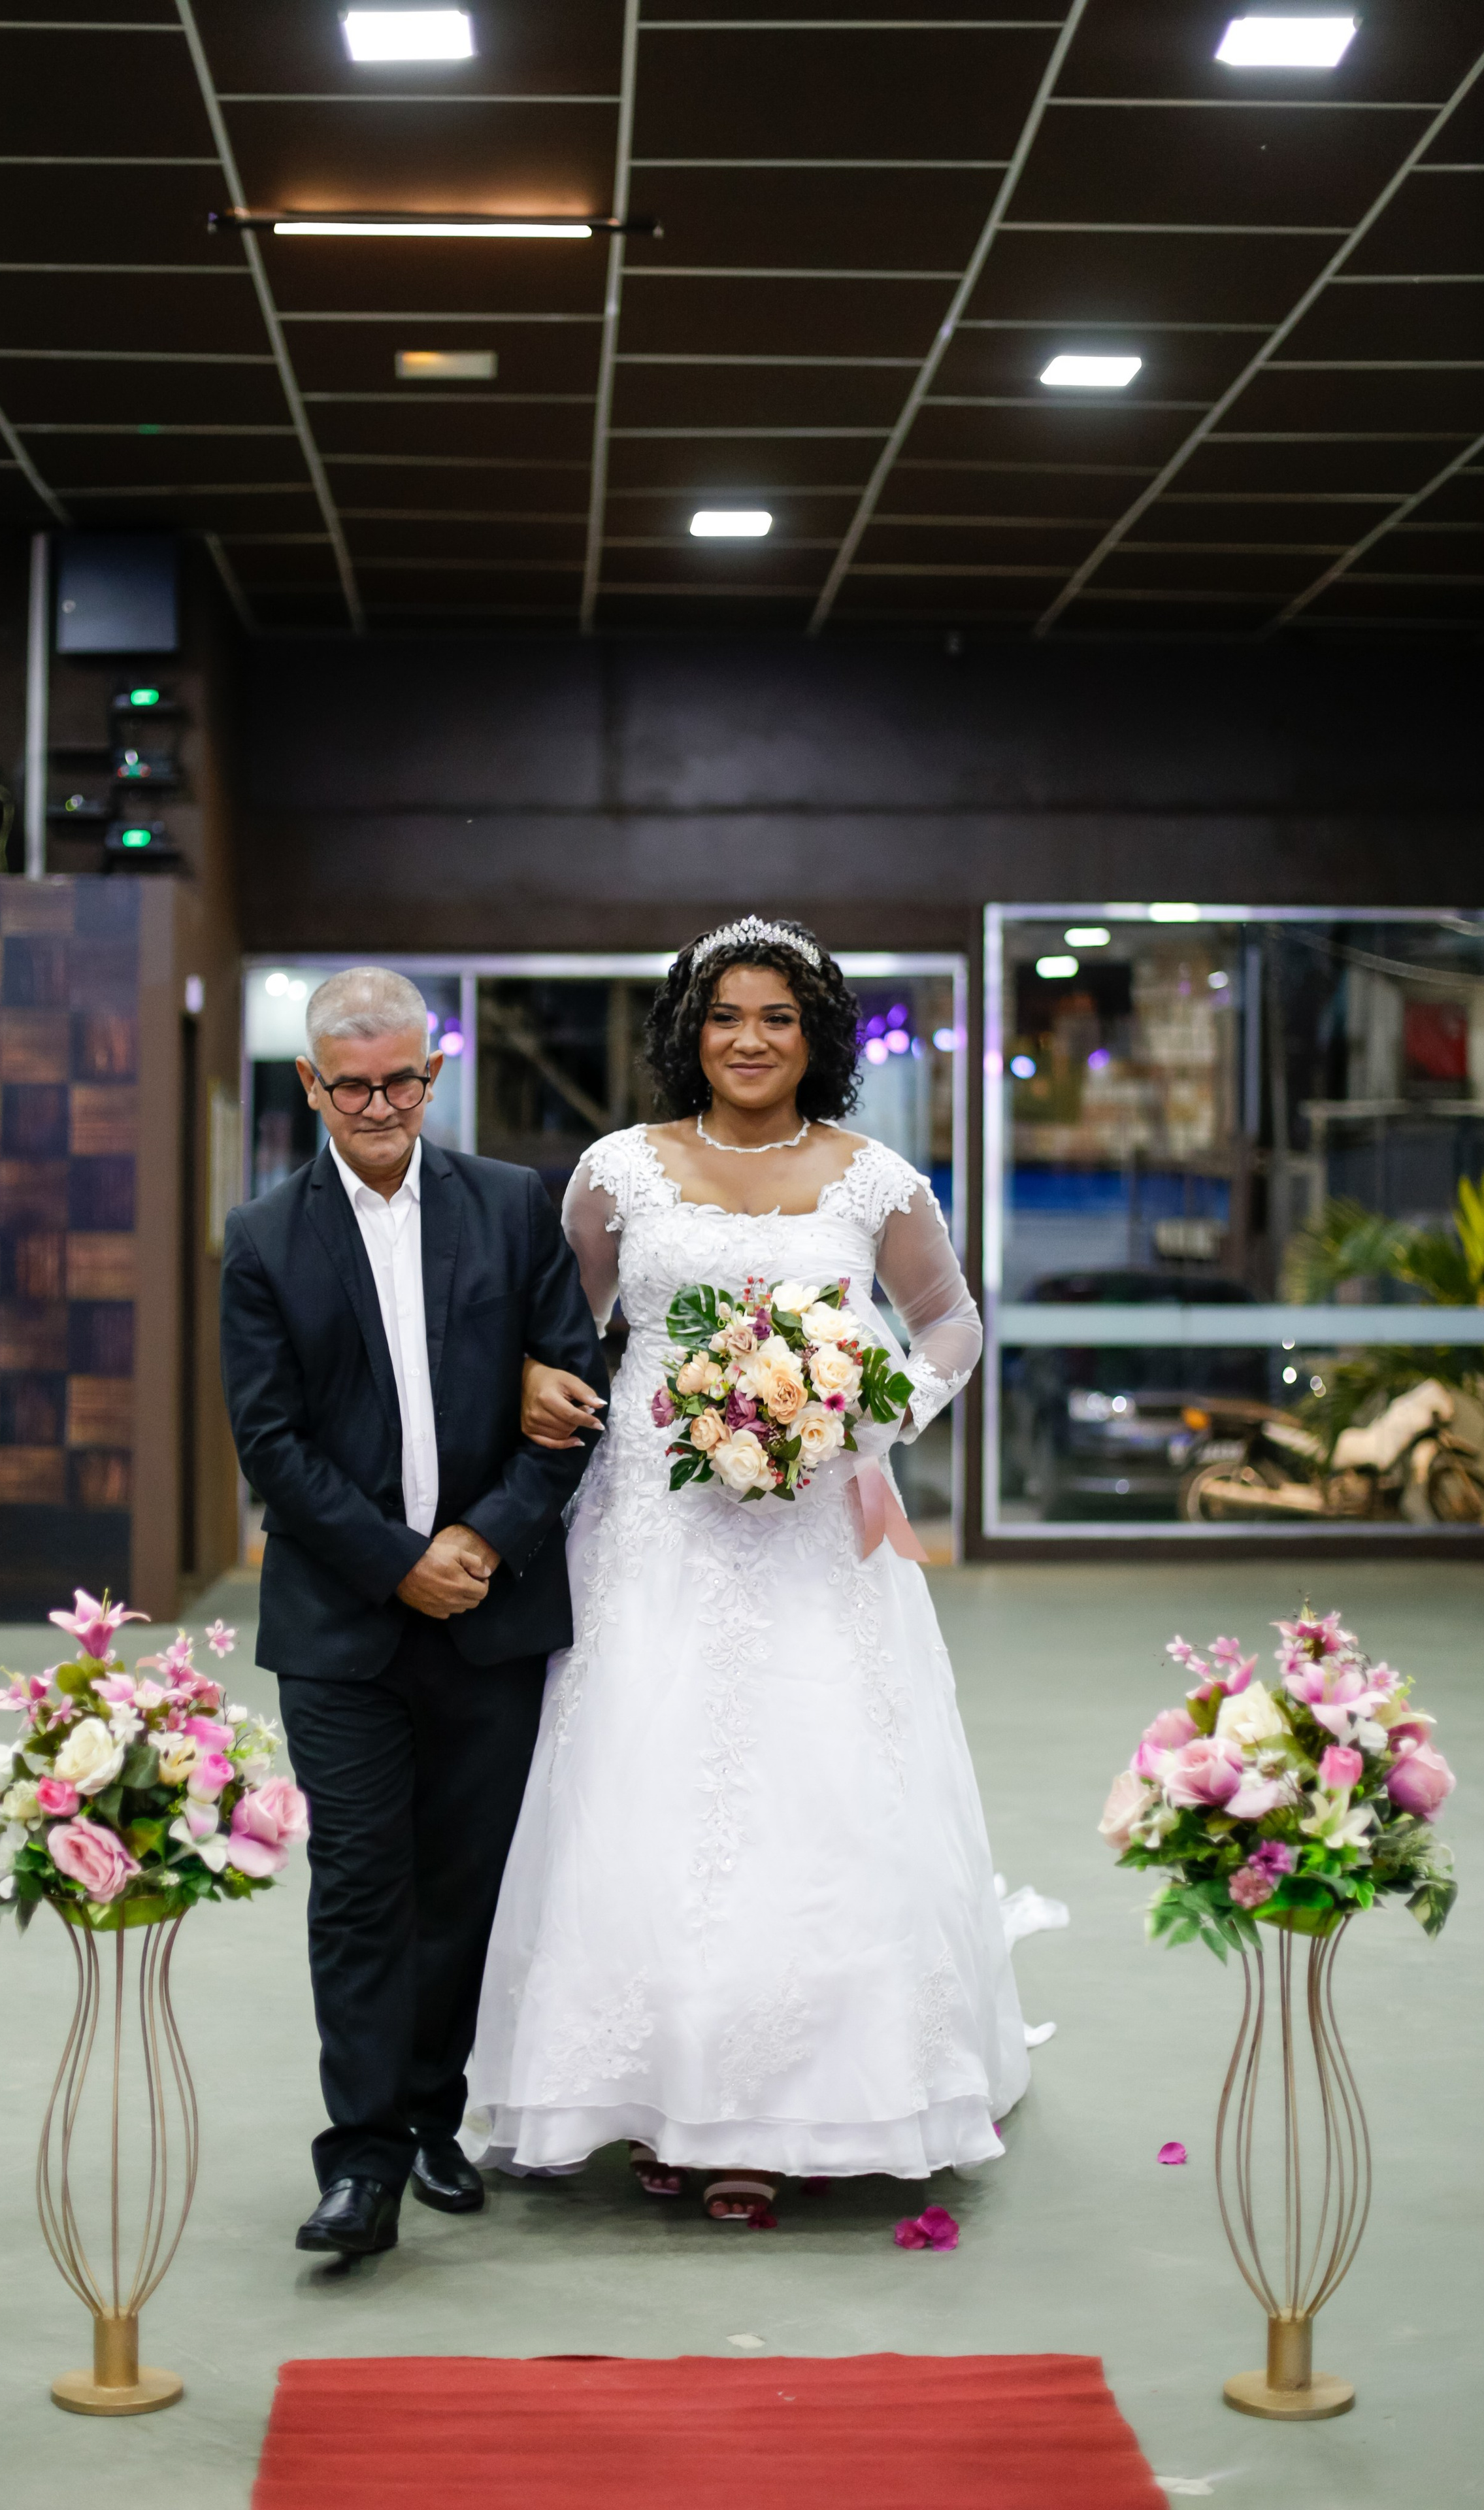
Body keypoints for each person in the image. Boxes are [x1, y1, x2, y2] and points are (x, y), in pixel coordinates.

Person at [467, 916, 1029, 2222]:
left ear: (814, 1036)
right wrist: (547, 1384)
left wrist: (871, 1407)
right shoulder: (619, 1173)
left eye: (777, 1017)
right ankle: (650, 2094)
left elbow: (948, 1320)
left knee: (817, 1798)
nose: (749, 1039)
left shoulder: (871, 1178)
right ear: (690, 1031)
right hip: (651, 1539)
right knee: (639, 1796)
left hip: (818, 1544)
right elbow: (570, 1327)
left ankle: (785, 2114)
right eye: (726, 1015)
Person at [220, 965, 607, 2262]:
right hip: (341, 1624)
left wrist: (482, 1544)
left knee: (462, 1884)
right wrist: (397, 1563)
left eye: (399, 1080)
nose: (377, 1104)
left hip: (491, 1612)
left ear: (431, 1075)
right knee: (360, 1884)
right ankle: (362, 2161)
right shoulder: (264, 1238)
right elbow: (269, 1443)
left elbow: (576, 1399)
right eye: (350, 1086)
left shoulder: (510, 1210)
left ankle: (436, 2117)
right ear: (309, 1086)